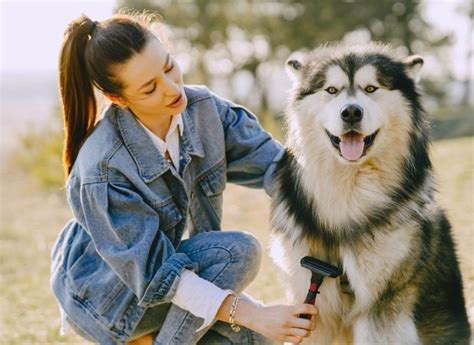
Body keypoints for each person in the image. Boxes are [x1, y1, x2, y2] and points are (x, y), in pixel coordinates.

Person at [50, 12, 318, 345]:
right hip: (105, 302)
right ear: (119, 99)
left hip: (171, 281)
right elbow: (156, 276)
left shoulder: (205, 111)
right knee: (237, 252)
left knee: (255, 341)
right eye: (150, 88)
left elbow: (281, 170)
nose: (172, 88)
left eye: (168, 66)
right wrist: (258, 315)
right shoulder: (102, 168)